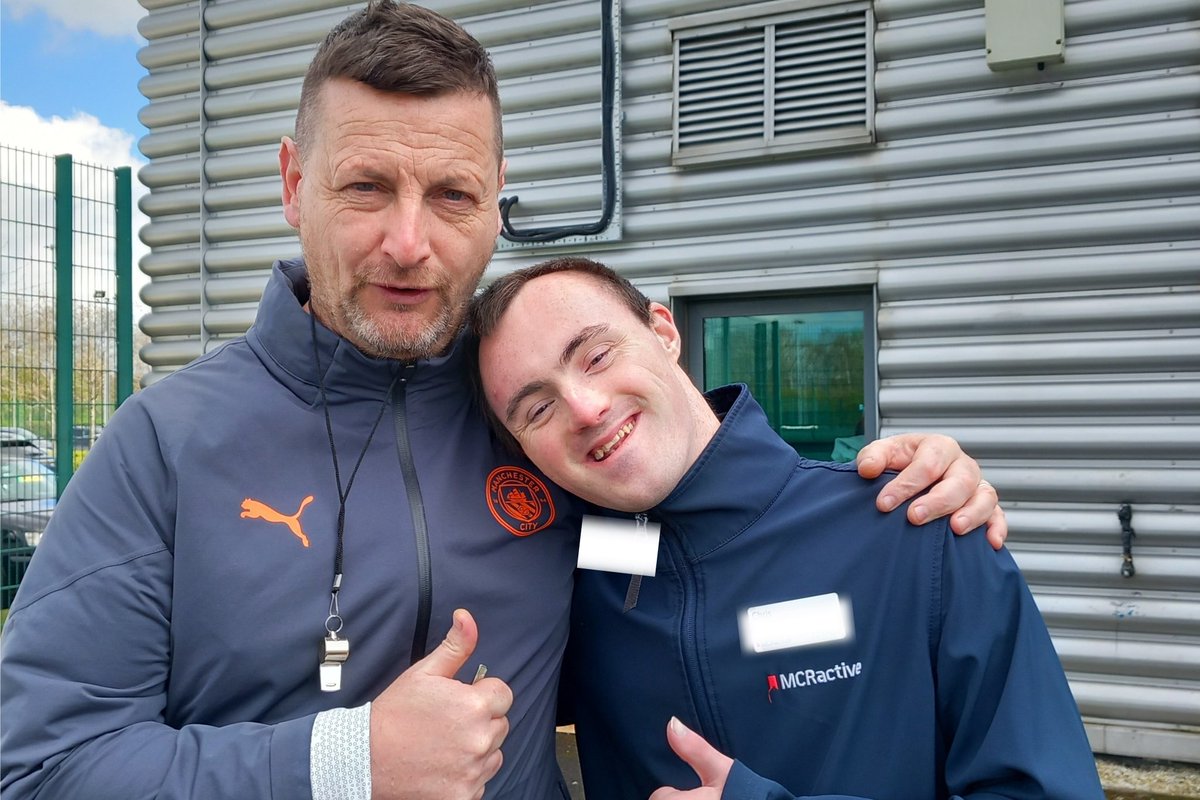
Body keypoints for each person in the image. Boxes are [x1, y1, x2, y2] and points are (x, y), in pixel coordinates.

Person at [0, 4, 1001, 800]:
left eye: (451, 194)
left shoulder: (539, 427)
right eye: (365, 187)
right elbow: (41, 764)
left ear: (497, 197)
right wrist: (343, 768)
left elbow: (706, 556)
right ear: (293, 182)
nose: (408, 241)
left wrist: (894, 505)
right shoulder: (164, 447)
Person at [470, 257, 1104, 800]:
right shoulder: (567, 574)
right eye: (539, 408)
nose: (585, 408)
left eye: (598, 355)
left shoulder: (917, 529)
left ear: (664, 332)